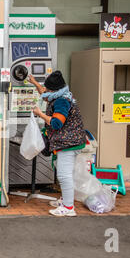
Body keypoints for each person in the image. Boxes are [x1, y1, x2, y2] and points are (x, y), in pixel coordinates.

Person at [27, 71, 86, 217]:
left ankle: (68, 208)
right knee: (65, 173)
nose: (45, 91)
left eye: (47, 88)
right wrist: (34, 82)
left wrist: (39, 114)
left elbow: (56, 123)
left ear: (53, 89)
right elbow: (44, 95)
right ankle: (65, 201)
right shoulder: (61, 94)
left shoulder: (61, 101)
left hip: (68, 142)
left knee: (64, 175)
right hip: (69, 141)